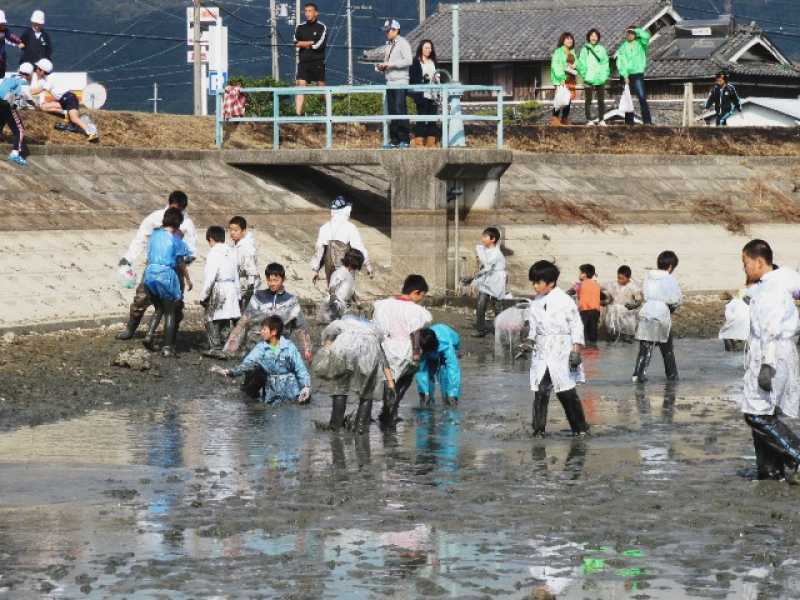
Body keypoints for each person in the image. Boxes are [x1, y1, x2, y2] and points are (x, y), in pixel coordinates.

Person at [739, 239, 800, 483]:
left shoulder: (772, 290)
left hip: (771, 353)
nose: (744, 268)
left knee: (756, 415)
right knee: (763, 412)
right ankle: (769, 472)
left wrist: (767, 364)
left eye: (745, 264)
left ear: (758, 262)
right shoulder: (771, 284)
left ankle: (796, 454)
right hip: (773, 352)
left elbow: (771, 330)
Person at [117, 191, 198, 340]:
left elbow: (192, 251)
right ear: (169, 204)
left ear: (184, 208)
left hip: (175, 269)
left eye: (180, 209)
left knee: (175, 304)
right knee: (141, 298)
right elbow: (140, 239)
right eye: (175, 208)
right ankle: (131, 328)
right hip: (153, 266)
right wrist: (128, 258)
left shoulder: (187, 223)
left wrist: (184, 263)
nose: (177, 211)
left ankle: (171, 336)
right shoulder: (155, 218)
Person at [527, 260, 589, 437]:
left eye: (538, 282)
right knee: (540, 390)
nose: (535, 286)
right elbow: (533, 328)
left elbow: (576, 325)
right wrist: (528, 342)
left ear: (551, 282)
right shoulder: (536, 303)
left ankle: (580, 428)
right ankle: (538, 430)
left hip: (562, 350)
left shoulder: (564, 300)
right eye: (533, 282)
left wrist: (576, 350)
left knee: (566, 391)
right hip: (542, 351)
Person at [373, 274, 433, 430]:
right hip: (404, 349)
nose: (421, 299)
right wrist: (416, 352)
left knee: (389, 381)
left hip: (386, 347)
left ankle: (387, 413)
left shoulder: (385, 304)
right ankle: (391, 413)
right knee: (404, 382)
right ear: (416, 292)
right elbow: (415, 332)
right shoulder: (414, 309)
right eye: (422, 296)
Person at [313, 315, 390, 434]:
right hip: (368, 352)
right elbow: (382, 356)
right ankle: (360, 429)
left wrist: (326, 355)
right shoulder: (374, 329)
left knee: (340, 389)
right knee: (366, 393)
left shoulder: (341, 323)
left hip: (343, 348)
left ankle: (335, 427)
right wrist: (390, 382)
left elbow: (327, 337)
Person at [224, 262, 313, 361]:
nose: (272, 283)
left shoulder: (291, 302)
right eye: (269, 280)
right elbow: (244, 321)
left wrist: (307, 348)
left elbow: (301, 327)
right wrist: (232, 341)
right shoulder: (258, 297)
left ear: (283, 279)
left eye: (275, 280)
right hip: (255, 347)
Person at [213, 316, 311, 405]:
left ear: (273, 332)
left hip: (292, 392)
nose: (261, 332)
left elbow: (300, 369)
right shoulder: (261, 348)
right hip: (272, 393)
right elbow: (247, 364)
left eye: (264, 329)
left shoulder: (289, 347)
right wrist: (230, 372)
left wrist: (306, 387)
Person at [141, 207, 193, 357]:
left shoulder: (153, 235)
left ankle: (149, 336)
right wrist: (188, 280)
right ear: (178, 224)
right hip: (165, 275)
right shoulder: (177, 241)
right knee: (170, 313)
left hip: (150, 274)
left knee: (158, 308)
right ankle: (167, 347)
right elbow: (180, 263)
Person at [632, 251, 681, 383]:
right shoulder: (669, 279)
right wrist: (671, 309)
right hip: (661, 314)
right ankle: (672, 376)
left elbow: (643, 295)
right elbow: (675, 300)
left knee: (645, 348)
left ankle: (638, 375)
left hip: (646, 313)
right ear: (670, 266)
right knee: (667, 350)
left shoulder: (648, 276)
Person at [30, 58, 98, 142]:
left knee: (74, 119)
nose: (35, 70)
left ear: (42, 71)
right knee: (44, 107)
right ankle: (67, 114)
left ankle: (91, 132)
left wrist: (30, 83)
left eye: (37, 68)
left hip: (69, 99)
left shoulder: (48, 81)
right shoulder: (46, 79)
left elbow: (35, 91)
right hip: (64, 100)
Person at [310, 196, 373, 284]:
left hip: (330, 267)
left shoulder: (324, 228)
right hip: (346, 267)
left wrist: (315, 270)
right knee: (345, 292)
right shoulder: (350, 227)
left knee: (333, 291)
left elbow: (319, 251)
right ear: (345, 210)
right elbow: (359, 247)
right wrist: (368, 264)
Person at [199, 226, 241, 359]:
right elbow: (236, 274)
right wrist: (238, 295)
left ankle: (216, 348)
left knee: (210, 318)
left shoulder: (214, 253)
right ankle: (226, 346)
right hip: (232, 287)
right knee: (225, 318)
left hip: (220, 287)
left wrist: (204, 296)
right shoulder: (231, 251)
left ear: (211, 239)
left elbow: (210, 276)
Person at [464, 226, 507, 338]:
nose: (482, 238)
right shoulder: (484, 250)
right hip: (487, 278)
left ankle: (500, 331)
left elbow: (487, 268)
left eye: (485, 236)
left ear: (493, 239)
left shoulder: (496, 253)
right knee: (480, 303)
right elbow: (484, 267)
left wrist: (472, 278)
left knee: (497, 305)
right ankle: (480, 329)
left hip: (496, 279)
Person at [377, 19, 412, 148]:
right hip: (390, 81)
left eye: (388, 30)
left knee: (399, 109)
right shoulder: (389, 44)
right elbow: (388, 62)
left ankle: (405, 139)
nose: (386, 32)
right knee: (392, 111)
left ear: (396, 30)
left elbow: (408, 60)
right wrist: (382, 67)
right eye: (385, 30)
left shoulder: (403, 43)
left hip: (401, 81)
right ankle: (395, 140)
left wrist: (390, 64)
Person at [293, 2, 327, 116]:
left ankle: (326, 111)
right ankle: (298, 115)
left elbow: (318, 45)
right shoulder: (300, 27)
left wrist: (304, 43)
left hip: (318, 61)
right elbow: (295, 43)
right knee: (300, 86)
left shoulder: (322, 27)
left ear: (316, 13)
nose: (307, 13)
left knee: (321, 87)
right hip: (303, 62)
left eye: (310, 11)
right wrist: (310, 42)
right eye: (305, 11)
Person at [416, 324, 461, 407]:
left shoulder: (445, 343)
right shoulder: (421, 344)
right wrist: (423, 392)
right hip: (429, 346)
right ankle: (428, 400)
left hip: (451, 342)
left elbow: (453, 369)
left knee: (444, 374)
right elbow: (421, 370)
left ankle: (447, 399)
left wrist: (453, 393)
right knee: (428, 371)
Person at [617, 25, 653, 125]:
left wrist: (636, 30)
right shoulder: (623, 47)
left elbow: (646, 36)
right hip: (626, 75)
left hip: (638, 73)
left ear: (636, 34)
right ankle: (629, 122)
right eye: (628, 33)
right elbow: (621, 62)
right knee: (627, 97)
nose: (630, 35)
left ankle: (647, 121)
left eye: (632, 33)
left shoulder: (641, 44)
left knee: (642, 97)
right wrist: (624, 75)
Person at [0, 62, 34, 167]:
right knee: (19, 130)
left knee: (1, 123)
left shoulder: (10, 77)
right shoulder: (23, 82)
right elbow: (27, 96)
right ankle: (15, 153)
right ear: (29, 74)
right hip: (7, 105)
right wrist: (35, 105)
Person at [321, 248, 364, 323]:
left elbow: (351, 291)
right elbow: (332, 287)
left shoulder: (350, 275)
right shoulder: (341, 272)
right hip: (333, 306)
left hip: (340, 307)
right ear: (354, 263)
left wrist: (358, 303)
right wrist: (334, 299)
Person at [409, 39, 439, 147]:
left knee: (432, 118)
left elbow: (437, 75)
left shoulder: (433, 62)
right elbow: (412, 79)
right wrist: (422, 81)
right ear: (421, 48)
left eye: (430, 48)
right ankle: (419, 141)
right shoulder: (416, 62)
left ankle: (431, 142)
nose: (429, 50)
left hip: (433, 94)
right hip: (422, 94)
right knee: (421, 117)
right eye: (426, 48)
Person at [577, 28, 610, 124]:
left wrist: (604, 75)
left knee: (601, 100)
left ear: (598, 38)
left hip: (600, 78)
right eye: (592, 35)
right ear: (588, 37)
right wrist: (585, 75)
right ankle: (589, 119)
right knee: (588, 100)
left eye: (595, 36)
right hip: (589, 78)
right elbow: (581, 64)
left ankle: (601, 119)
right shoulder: (585, 49)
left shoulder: (602, 49)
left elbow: (605, 63)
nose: (593, 37)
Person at [601, 265, 641, 343]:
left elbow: (638, 300)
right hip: (614, 312)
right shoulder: (613, 284)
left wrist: (634, 305)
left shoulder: (633, 287)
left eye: (622, 278)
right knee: (613, 332)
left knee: (627, 332)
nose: (619, 280)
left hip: (627, 313)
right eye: (618, 277)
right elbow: (605, 291)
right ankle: (613, 337)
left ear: (628, 278)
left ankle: (627, 338)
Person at [228, 216, 260, 312]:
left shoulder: (245, 247)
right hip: (241, 287)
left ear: (243, 231)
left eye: (236, 230)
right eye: (231, 230)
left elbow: (252, 271)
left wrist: (249, 291)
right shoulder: (238, 245)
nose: (232, 232)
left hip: (247, 289)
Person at [550, 32, 578, 126]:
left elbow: (576, 63)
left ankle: (565, 118)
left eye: (571, 38)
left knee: (568, 99)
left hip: (570, 78)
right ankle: (555, 118)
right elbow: (556, 65)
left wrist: (575, 65)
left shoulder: (572, 52)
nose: (569, 40)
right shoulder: (558, 52)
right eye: (567, 38)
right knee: (559, 98)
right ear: (563, 40)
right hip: (561, 78)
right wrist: (561, 77)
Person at [570, 264, 602, 346]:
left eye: (580, 273)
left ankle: (584, 352)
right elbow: (602, 296)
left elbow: (569, 292)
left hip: (584, 311)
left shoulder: (579, 284)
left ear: (584, 274)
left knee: (583, 333)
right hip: (596, 312)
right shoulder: (597, 285)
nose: (579, 275)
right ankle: (593, 351)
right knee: (593, 333)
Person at [719, 287, 750, 352]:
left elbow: (729, 318)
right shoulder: (740, 301)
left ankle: (730, 351)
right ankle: (744, 349)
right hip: (748, 321)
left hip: (738, 320)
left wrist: (725, 326)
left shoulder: (729, 305)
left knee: (724, 334)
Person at [0, 11, 23, 79]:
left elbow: (11, 36)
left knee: (2, 75)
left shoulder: (5, 31)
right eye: (1, 23)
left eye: (4, 23)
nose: (3, 25)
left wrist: (19, 42)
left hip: (2, 59)